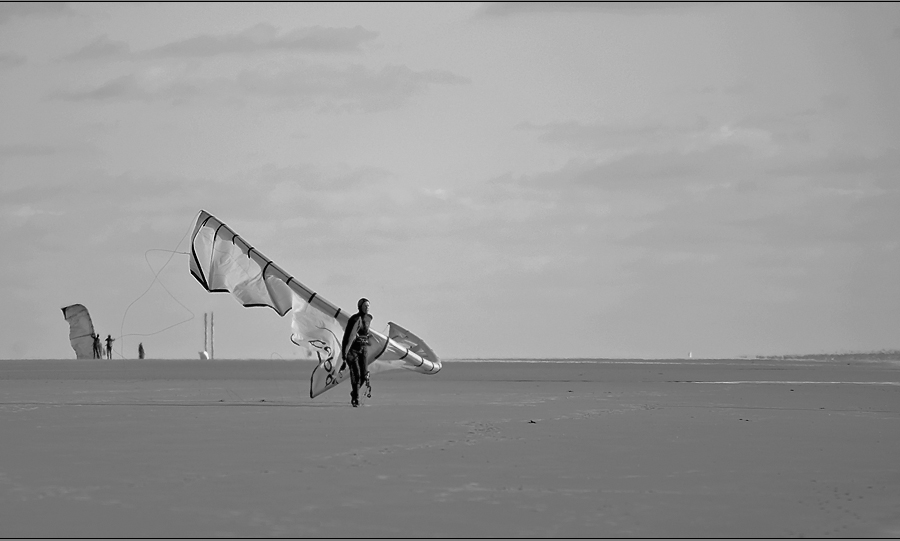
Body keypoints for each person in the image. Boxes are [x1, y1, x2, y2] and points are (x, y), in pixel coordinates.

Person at [340, 298, 372, 407]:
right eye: (365, 306)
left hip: (363, 350)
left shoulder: (369, 318)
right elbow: (348, 337)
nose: (367, 308)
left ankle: (354, 392)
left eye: (368, 306)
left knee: (364, 375)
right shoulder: (354, 319)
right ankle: (356, 398)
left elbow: (366, 332)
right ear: (360, 307)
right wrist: (344, 354)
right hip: (352, 351)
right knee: (356, 374)